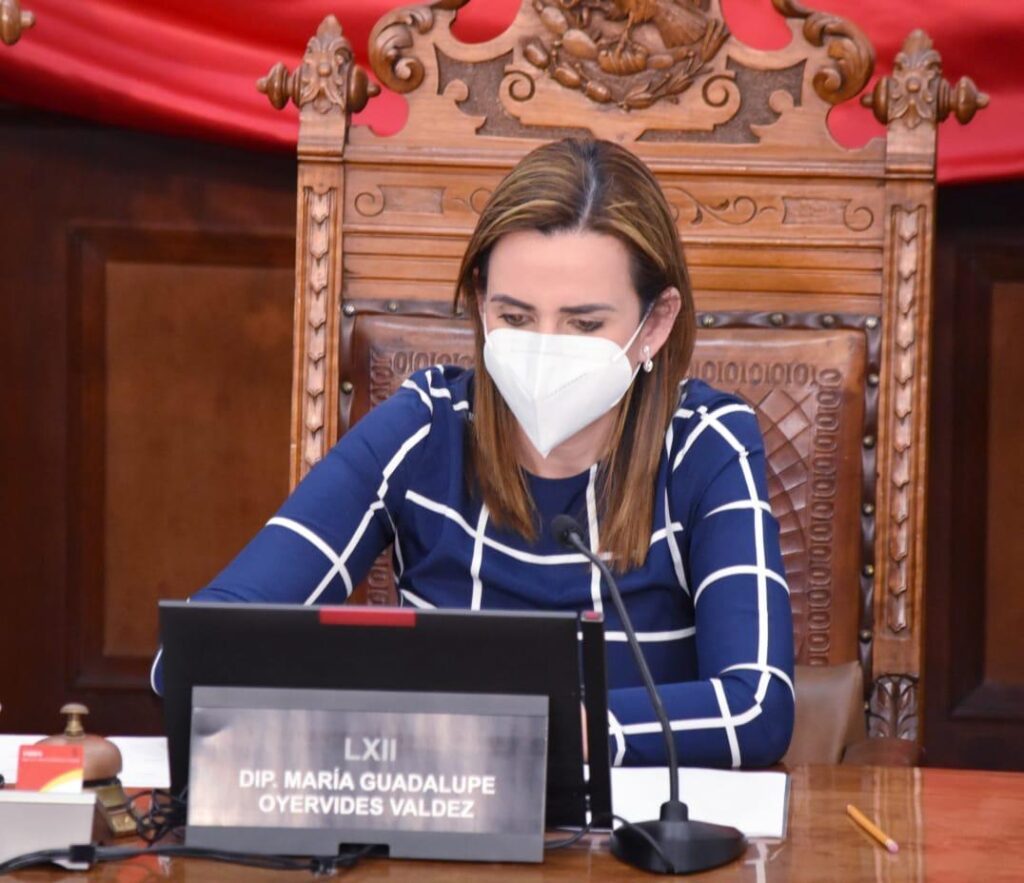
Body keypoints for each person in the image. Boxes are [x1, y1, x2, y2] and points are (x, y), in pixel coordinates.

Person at [151, 138, 794, 769]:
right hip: (438, 815)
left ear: (654, 323)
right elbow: (194, 655)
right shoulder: (423, 427)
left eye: (584, 324)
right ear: (482, 306)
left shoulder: (706, 443)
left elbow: (758, 707)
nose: (545, 346)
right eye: (515, 317)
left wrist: (546, 732)